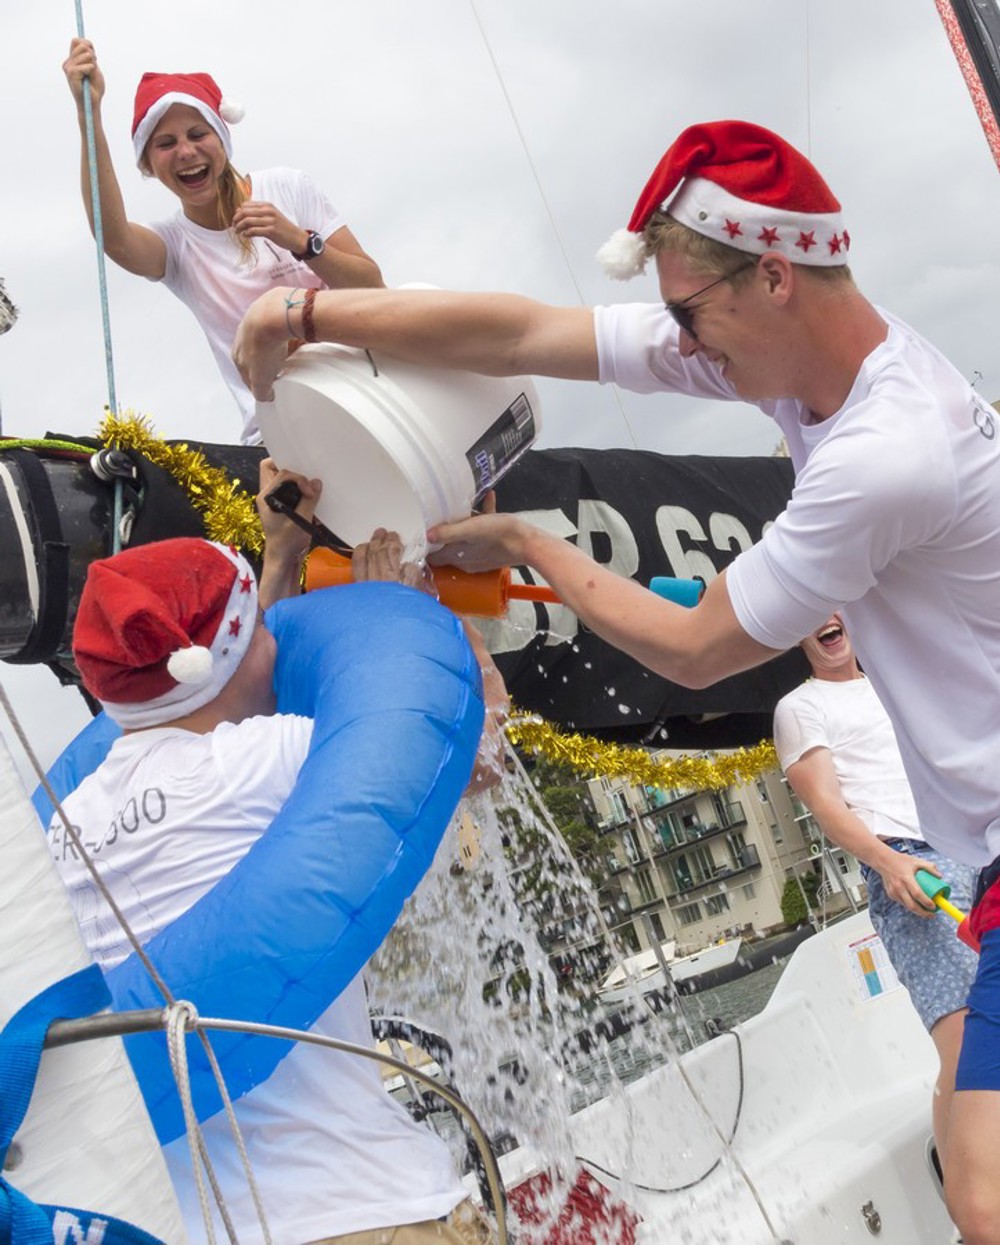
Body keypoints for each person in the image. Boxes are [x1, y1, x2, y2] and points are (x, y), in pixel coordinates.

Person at [232, 119, 1000, 1244]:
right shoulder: (814, 372)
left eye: (693, 314)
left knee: (983, 1195)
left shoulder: (887, 452)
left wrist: (536, 547)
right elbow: (526, 331)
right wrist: (300, 312)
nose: (685, 344)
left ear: (774, 278)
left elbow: (697, 650)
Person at [49, 461, 496, 1245]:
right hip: (371, 1210)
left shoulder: (64, 825)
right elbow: (475, 747)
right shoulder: (263, 761)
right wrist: (406, 608)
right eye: (261, 627)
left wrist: (280, 557)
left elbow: (219, 676)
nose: (280, 641)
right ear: (226, 656)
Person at [62, 37, 383, 445]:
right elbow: (115, 238)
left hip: (371, 396)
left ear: (222, 139)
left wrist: (300, 241)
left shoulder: (286, 187)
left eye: (198, 134)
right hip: (282, 436)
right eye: (165, 143)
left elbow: (373, 288)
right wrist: (87, 114)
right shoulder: (176, 245)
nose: (186, 151)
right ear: (147, 164)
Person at [773, 613, 978, 1164]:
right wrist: (888, 864)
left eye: (833, 602)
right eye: (806, 610)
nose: (824, 618)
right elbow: (827, 807)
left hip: (975, 850)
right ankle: (968, 1203)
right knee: (966, 1048)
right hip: (910, 870)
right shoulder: (799, 708)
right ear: (795, 631)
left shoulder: (898, 677)